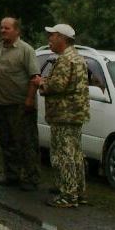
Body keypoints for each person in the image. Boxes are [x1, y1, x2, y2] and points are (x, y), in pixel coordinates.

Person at [35, 23, 89, 208]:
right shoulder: (78, 58)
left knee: (62, 154)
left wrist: (41, 83)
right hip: (75, 114)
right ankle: (78, 191)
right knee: (75, 154)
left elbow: (58, 85)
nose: (49, 39)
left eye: (52, 36)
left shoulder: (66, 60)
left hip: (64, 114)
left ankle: (68, 195)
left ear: (62, 38)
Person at [0, 17, 41, 191]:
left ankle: (31, 177)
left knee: (25, 142)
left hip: (20, 104)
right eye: (2, 27)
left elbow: (35, 77)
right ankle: (12, 175)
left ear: (17, 31)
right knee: (6, 141)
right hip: (2, 103)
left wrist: (29, 99)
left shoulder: (25, 50)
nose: (3, 30)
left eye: (7, 28)